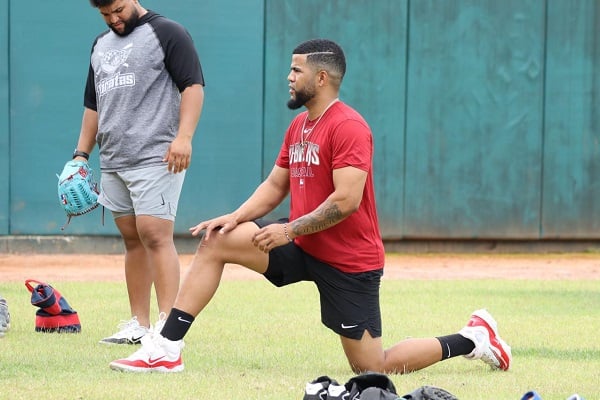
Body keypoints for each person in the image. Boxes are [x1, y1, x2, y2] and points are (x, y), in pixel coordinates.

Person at [109, 38, 511, 374]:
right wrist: (235, 217)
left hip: (348, 261)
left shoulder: (349, 126)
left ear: (321, 78)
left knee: (373, 368)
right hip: (303, 244)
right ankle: (167, 347)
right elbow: (274, 185)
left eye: (296, 70)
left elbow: (346, 201)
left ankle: (472, 338)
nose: (289, 77)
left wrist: (287, 230)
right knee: (217, 240)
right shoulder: (299, 126)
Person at [73, 0, 205, 344]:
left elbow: (192, 86)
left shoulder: (168, 32)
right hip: (114, 159)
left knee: (155, 235)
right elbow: (93, 105)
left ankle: (167, 328)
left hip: (157, 154)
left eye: (117, 10)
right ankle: (139, 324)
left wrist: (184, 138)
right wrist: (81, 155)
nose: (113, 19)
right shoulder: (100, 45)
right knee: (132, 240)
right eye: (105, 15)